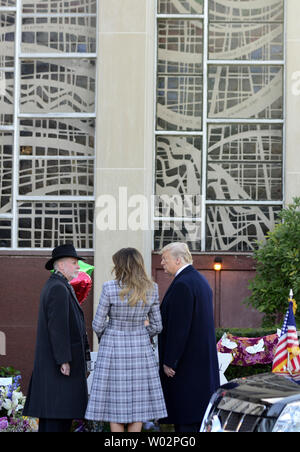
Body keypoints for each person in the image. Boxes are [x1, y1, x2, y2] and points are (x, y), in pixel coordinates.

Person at [85, 247, 167, 432]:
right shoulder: (151, 288)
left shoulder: (109, 287)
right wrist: (142, 334)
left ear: (120, 265)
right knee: (138, 406)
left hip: (113, 348)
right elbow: (157, 326)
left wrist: (109, 334)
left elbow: (97, 324)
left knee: (116, 406)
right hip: (140, 349)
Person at [23, 244, 91, 433]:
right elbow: (58, 327)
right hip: (59, 371)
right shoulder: (58, 288)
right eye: (74, 262)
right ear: (61, 266)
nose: (78, 267)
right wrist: (64, 359)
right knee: (56, 421)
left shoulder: (59, 285)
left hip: (58, 371)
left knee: (57, 419)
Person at [158, 242, 220, 433]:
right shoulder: (199, 280)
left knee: (186, 425)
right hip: (199, 369)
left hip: (186, 369)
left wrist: (170, 361)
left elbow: (180, 328)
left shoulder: (183, 284)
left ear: (178, 260)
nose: (161, 263)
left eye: (165, 259)